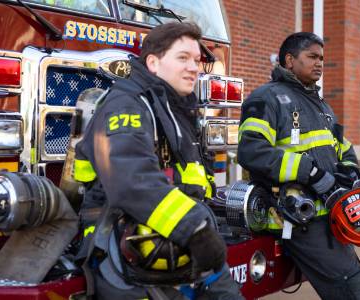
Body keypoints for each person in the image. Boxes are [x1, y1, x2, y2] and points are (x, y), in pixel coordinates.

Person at [74, 22, 242, 299]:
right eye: (183, 58)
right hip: (130, 246)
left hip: (172, 239)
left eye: (197, 60)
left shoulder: (175, 107)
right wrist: (195, 229)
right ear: (153, 62)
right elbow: (131, 182)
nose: (194, 68)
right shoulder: (127, 105)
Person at [237, 32, 360, 299]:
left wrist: (350, 168)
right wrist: (311, 173)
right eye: (312, 56)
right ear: (290, 60)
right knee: (358, 291)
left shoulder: (321, 105)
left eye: (322, 58)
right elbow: (252, 151)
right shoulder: (266, 98)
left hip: (331, 215)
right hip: (296, 220)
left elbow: (343, 146)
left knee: (352, 283)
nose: (320, 63)